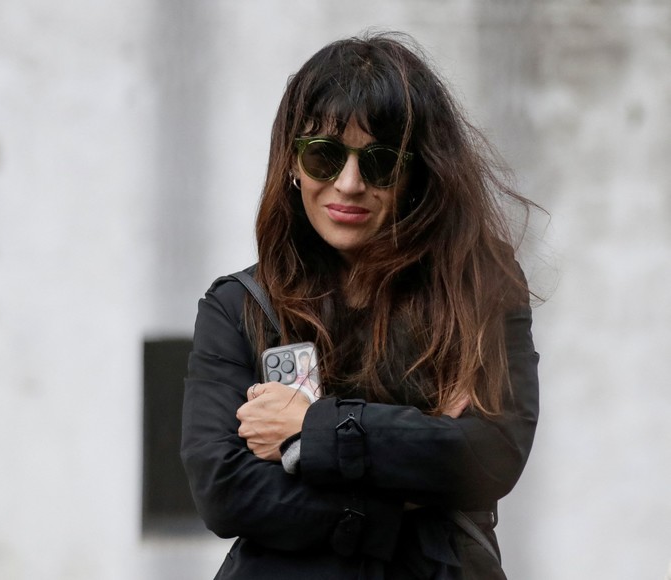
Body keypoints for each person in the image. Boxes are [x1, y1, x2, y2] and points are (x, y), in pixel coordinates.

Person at [181, 31, 540, 580]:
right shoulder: (239, 306)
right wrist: (400, 493)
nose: (348, 184)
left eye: (380, 162)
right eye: (325, 156)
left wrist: (312, 429)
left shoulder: (479, 290)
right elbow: (224, 491)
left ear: (418, 172)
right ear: (294, 162)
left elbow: (491, 456)